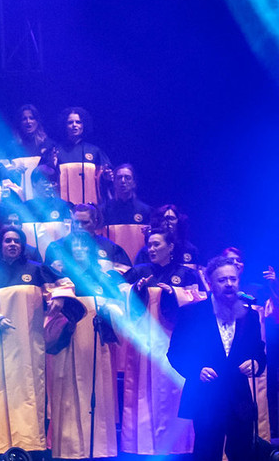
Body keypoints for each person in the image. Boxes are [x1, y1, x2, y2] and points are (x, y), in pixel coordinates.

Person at [168, 256, 266, 461]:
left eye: (233, 279)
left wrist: (256, 363)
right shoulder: (191, 314)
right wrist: (196, 370)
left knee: (243, 454)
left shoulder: (251, 316)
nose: (229, 284)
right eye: (222, 280)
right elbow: (175, 353)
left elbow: (259, 352)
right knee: (206, 453)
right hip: (206, 398)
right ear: (210, 284)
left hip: (239, 400)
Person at [0, 226, 57, 456]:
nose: (12, 244)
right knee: (0, 395)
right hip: (0, 347)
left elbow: (59, 291)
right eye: (8, 241)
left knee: (31, 393)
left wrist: (56, 301)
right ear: (0, 244)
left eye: (17, 241)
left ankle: (32, 446)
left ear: (22, 246)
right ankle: (2, 448)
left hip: (32, 347)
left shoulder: (38, 271)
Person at [121, 227, 203, 455]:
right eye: (150, 244)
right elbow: (119, 296)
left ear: (171, 247)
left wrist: (174, 294)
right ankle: (146, 448)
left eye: (157, 244)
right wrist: (136, 291)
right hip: (145, 341)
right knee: (144, 393)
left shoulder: (186, 274)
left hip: (175, 341)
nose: (152, 248)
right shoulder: (139, 271)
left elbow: (200, 302)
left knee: (174, 392)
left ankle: (179, 447)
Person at [47, 232, 125, 459]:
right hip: (68, 343)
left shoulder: (102, 278)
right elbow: (49, 311)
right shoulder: (59, 278)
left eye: (84, 244)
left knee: (97, 393)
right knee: (69, 395)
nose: (79, 248)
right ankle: (70, 450)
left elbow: (118, 309)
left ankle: (98, 448)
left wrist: (111, 309)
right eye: (75, 245)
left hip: (95, 345)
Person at [50, 107, 111, 206]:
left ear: (84, 125)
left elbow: (105, 180)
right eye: (70, 122)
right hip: (64, 207)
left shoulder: (94, 151)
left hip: (91, 208)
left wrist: (107, 176)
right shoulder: (56, 151)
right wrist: (52, 165)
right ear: (65, 126)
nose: (74, 125)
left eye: (78, 122)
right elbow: (45, 178)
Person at [102, 163, 152, 258]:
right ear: (114, 182)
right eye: (119, 178)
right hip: (113, 262)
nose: (123, 181)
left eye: (127, 177)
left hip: (138, 263)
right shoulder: (103, 210)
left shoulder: (145, 211)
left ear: (134, 183)